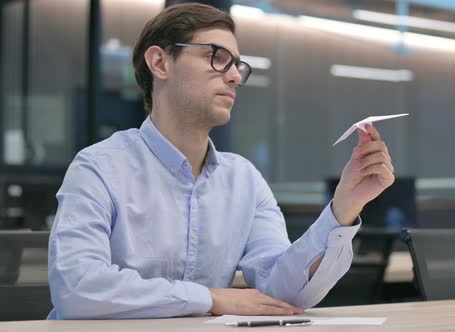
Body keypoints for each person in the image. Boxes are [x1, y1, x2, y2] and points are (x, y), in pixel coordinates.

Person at [47, 3, 395, 319]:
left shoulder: (243, 179)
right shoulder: (98, 167)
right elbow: (77, 288)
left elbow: (282, 293)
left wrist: (345, 206)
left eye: (237, 66)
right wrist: (210, 299)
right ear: (160, 62)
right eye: (216, 57)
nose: (233, 77)